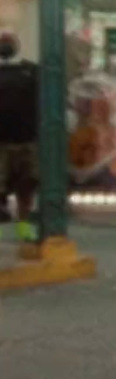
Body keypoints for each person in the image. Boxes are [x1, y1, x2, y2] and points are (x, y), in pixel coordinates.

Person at [0, 30, 40, 240]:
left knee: (28, 185)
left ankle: (23, 226)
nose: (5, 45)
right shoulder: (30, 72)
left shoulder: (31, 71)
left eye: (8, 42)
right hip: (4, 142)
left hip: (27, 139)